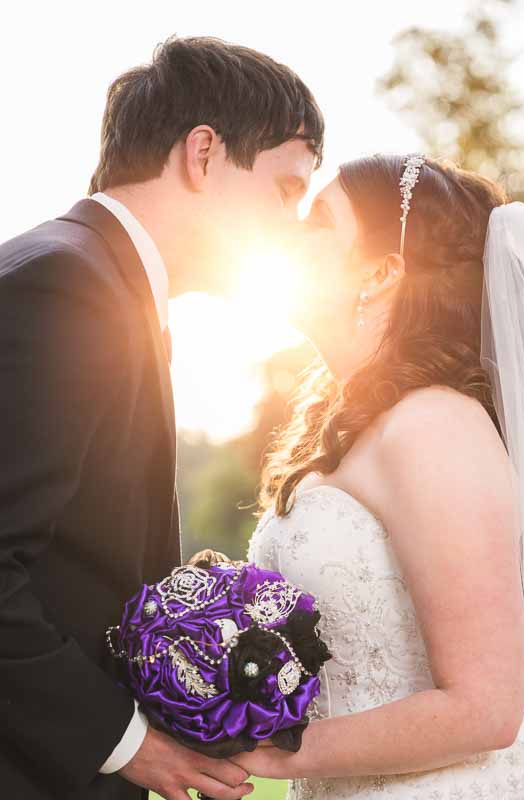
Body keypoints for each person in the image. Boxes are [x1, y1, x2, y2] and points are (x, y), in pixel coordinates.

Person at [0, 35, 323, 800]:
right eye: (285, 190)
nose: (292, 225)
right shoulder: (64, 286)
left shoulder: (87, 277)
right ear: (203, 154)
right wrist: (125, 742)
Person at [239, 154, 524, 797]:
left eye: (318, 221)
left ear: (380, 273)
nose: (289, 233)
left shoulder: (434, 424)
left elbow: (487, 707)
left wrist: (270, 751)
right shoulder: (353, 425)